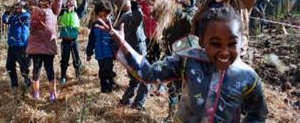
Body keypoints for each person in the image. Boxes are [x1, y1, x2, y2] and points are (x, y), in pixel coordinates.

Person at [98, 7, 268, 122]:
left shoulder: (247, 77)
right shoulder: (189, 60)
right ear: (201, 42)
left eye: (232, 44)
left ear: (242, 43)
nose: (224, 51)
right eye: (215, 44)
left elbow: (257, 113)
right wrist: (123, 44)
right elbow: (149, 74)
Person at [160, 0, 199, 121]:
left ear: (192, 0)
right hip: (171, 54)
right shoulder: (171, 12)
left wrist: (180, 13)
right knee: (172, 87)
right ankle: (171, 115)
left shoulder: (194, 13)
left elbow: (191, 24)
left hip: (186, 57)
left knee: (185, 90)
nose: (184, 0)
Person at [25, 0, 65, 102]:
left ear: (50, 2)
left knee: (50, 71)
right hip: (36, 47)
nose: (43, 2)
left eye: (46, 0)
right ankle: (36, 92)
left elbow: (58, 1)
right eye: (41, 0)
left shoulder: (54, 11)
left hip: (48, 47)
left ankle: (52, 93)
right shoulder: (34, 10)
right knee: (36, 70)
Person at [113, 0, 148, 110]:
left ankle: (125, 100)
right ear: (126, 4)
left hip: (129, 53)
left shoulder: (121, 17)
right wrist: (134, 1)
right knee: (145, 79)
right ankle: (138, 104)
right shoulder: (128, 17)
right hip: (136, 53)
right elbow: (138, 18)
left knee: (134, 79)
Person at [85, 0, 116, 93]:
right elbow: (91, 40)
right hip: (99, 53)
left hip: (109, 52)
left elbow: (117, 39)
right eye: (100, 16)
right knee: (102, 71)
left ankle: (109, 87)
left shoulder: (112, 25)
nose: (103, 18)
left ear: (109, 14)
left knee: (107, 69)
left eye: (105, 16)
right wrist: (89, 53)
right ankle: (105, 87)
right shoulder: (95, 25)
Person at [2, 0, 31, 91]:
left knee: (23, 66)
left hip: (22, 45)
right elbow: (5, 20)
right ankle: (14, 84)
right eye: (16, 6)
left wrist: (20, 11)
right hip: (12, 44)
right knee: (9, 66)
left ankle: (27, 82)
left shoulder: (27, 15)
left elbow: (25, 20)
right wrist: (7, 12)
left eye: (19, 6)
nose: (17, 8)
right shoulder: (14, 16)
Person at [59, 0, 87, 85]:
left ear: (75, 5)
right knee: (64, 59)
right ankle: (63, 76)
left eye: (73, 2)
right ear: (66, 4)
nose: (71, 3)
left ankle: (78, 75)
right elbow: (56, 7)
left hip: (74, 41)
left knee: (76, 59)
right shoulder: (62, 11)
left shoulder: (77, 13)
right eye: (69, 2)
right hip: (65, 41)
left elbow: (83, 6)